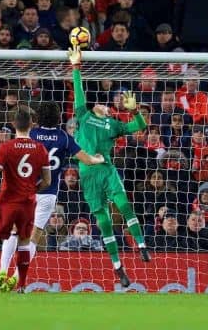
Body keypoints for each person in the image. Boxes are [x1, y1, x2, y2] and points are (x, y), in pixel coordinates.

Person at [0, 101, 104, 291]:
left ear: (37, 119)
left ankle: (2, 271)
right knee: (33, 237)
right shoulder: (64, 137)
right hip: (48, 193)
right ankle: (16, 278)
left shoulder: (31, 134)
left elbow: (3, 153)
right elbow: (86, 159)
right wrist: (98, 159)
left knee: (13, 231)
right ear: (58, 118)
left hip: (24, 191)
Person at [68, 45, 150, 288]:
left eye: (109, 106)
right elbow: (78, 91)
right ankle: (118, 268)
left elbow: (139, 127)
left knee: (124, 205)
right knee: (103, 222)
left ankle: (142, 246)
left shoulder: (114, 125)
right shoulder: (83, 115)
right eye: (103, 105)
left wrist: (134, 111)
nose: (106, 106)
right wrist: (75, 67)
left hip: (107, 169)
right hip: (87, 173)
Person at [0, 107, 51, 293]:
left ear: (13, 124)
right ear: (32, 125)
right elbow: (47, 181)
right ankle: (22, 285)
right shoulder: (41, 149)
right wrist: (32, 190)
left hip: (6, 201)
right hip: (27, 202)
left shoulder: (6, 147)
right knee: (25, 242)